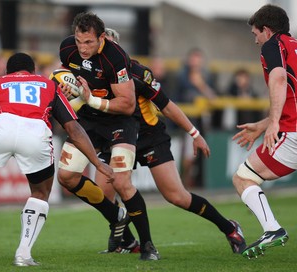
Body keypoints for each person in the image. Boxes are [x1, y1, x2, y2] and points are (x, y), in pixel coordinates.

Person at [0, 52, 115, 266]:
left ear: (8, 72)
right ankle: (23, 253)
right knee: (40, 192)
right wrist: (98, 163)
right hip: (35, 133)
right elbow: (74, 128)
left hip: (0, 127)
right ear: (33, 71)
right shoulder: (48, 85)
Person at [95, 27, 246, 255]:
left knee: (176, 196)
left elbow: (166, 105)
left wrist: (194, 134)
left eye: (107, 47)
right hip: (116, 136)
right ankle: (128, 241)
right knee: (103, 193)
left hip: (148, 136)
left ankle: (229, 227)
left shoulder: (137, 72)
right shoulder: (90, 73)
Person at [56, 12, 160, 261]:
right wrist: (66, 88)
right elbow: (65, 74)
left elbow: (126, 104)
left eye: (89, 42)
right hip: (89, 121)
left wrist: (90, 99)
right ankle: (116, 217)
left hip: (120, 121)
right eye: (79, 41)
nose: (82, 48)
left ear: (101, 38)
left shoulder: (116, 58)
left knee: (122, 183)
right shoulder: (68, 48)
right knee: (66, 177)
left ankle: (147, 245)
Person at [232, 4, 294, 259]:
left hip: (293, 132)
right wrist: (264, 124)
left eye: (256, 34)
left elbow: (279, 78)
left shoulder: (274, 45)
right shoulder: (295, 46)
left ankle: (272, 229)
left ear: (267, 31)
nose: (256, 41)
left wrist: (276, 123)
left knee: (243, 177)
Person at [175, 47, 218, 188]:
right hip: (187, 121)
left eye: (198, 59)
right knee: (188, 156)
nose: (196, 62)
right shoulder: (181, 76)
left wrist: (201, 85)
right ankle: (184, 184)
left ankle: (196, 182)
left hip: (203, 121)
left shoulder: (207, 76)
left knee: (200, 155)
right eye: (193, 59)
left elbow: (214, 98)